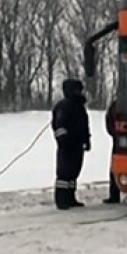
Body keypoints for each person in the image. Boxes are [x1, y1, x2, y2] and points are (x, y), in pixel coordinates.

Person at [51, 78, 91, 210]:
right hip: (67, 146)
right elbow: (59, 126)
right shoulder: (63, 106)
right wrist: (64, 141)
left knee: (74, 172)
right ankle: (62, 200)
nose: (79, 92)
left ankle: (70, 198)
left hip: (78, 145)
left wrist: (86, 140)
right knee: (64, 173)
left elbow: (84, 125)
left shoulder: (79, 106)